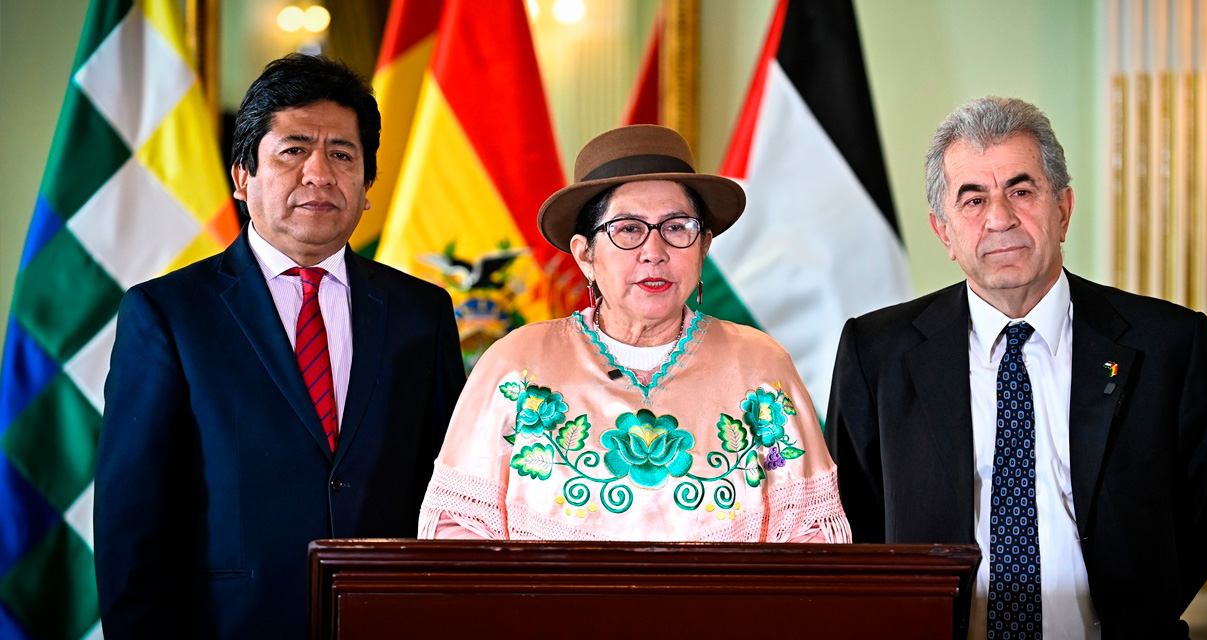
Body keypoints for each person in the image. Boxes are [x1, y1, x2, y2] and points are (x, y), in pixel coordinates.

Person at [825, 96, 1207, 639]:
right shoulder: (875, 354)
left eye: (1021, 190)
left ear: (1062, 209)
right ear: (943, 230)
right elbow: (854, 527)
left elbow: (1198, 526)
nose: (1000, 219)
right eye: (973, 200)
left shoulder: (1171, 346)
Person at [94, 54, 466, 639]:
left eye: (343, 154)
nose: (319, 174)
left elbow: (450, 497)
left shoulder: (423, 312)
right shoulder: (168, 313)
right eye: (293, 150)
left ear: (368, 186)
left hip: (389, 622)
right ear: (243, 177)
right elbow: (132, 520)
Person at [416, 125, 849, 542]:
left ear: (704, 248)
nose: (654, 252)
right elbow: (458, 537)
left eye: (677, 227)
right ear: (585, 255)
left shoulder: (760, 367)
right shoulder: (515, 367)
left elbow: (808, 541)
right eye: (627, 229)